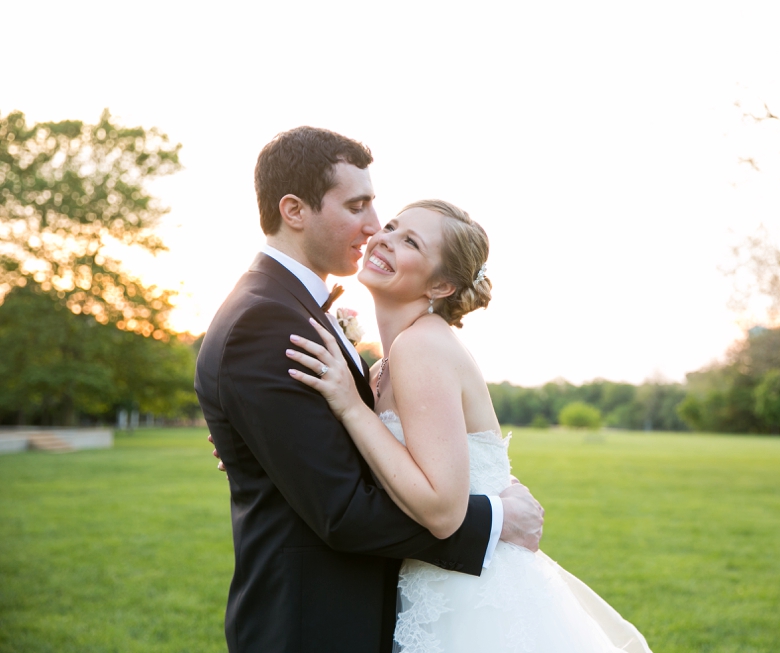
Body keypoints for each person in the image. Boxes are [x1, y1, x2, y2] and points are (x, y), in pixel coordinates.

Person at [195, 127, 544, 653]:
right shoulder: (267, 319)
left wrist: (270, 449)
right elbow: (342, 511)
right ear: (294, 210)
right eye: (358, 206)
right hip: (310, 624)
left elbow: (334, 455)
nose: (375, 227)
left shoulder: (303, 311)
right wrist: (492, 520)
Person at [287, 199, 653, 652]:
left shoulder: (420, 348)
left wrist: (350, 407)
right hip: (435, 581)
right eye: (394, 226)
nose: (384, 239)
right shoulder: (384, 364)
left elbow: (443, 510)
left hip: (469, 600)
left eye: (410, 242)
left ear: (440, 285)